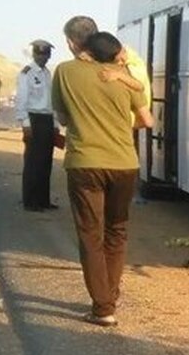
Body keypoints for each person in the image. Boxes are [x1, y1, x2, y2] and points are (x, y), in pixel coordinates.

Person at [53, 26, 154, 327]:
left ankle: (103, 306)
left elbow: (62, 117)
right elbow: (147, 120)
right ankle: (110, 294)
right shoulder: (125, 80)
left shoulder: (64, 72)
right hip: (124, 163)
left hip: (85, 163)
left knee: (90, 234)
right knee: (117, 230)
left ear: (75, 44)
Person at [15, 39, 59, 211]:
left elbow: (51, 101)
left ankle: (43, 199)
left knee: (46, 162)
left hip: (47, 119)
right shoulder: (27, 73)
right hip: (33, 119)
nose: (43, 57)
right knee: (33, 162)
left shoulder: (48, 73)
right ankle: (31, 201)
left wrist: (55, 124)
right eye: (40, 54)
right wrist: (25, 124)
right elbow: (22, 100)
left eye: (46, 54)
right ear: (34, 54)